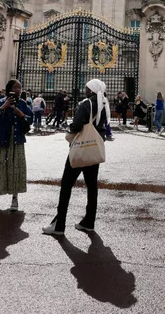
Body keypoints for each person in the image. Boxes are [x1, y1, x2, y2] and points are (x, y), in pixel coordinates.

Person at [43, 78, 109, 235]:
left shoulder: (86, 103)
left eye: (86, 88)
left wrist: (69, 130)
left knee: (66, 185)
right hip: (94, 150)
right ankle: (89, 221)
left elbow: (77, 125)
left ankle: (59, 225)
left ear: (92, 90)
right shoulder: (104, 105)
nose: (84, 90)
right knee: (92, 187)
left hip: (81, 149)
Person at [0, 80, 33, 211]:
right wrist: (5, 106)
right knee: (0, 167)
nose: (18, 90)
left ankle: (15, 199)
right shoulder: (2, 101)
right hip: (2, 139)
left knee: (16, 168)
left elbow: (30, 118)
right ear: (9, 89)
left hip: (17, 139)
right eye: (15, 87)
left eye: (20, 88)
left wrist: (21, 114)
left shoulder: (23, 103)